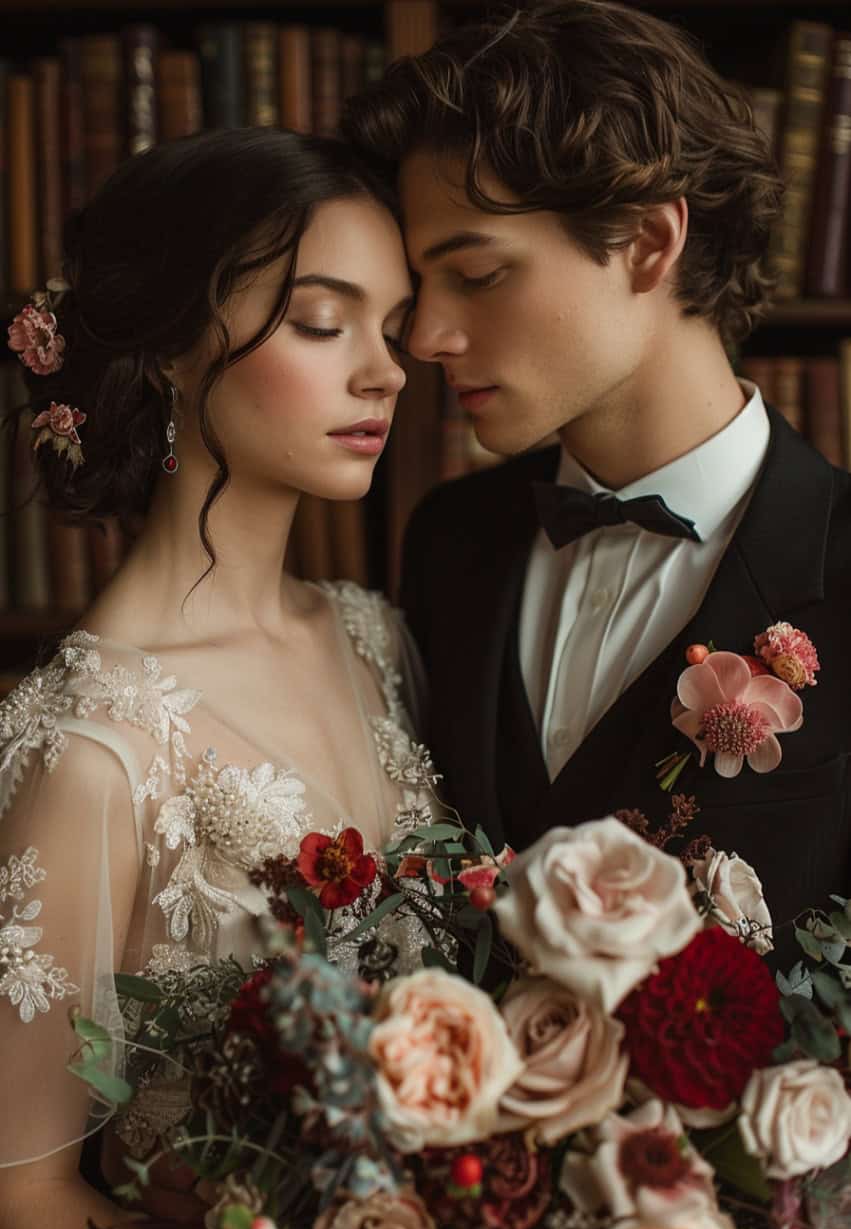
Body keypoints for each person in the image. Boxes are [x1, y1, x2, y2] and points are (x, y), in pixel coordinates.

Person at [0, 126, 439, 1229]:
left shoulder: (377, 638)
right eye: (319, 319)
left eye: (390, 325)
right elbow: (25, 1194)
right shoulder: (95, 747)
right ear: (173, 347)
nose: (385, 368)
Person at [341, 0, 851, 959]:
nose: (423, 339)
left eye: (479, 274)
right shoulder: (449, 538)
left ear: (649, 243)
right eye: (419, 289)